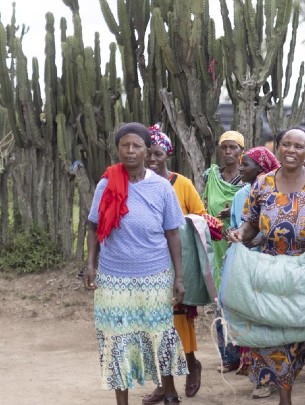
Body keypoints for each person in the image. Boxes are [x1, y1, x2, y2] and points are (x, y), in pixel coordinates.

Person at [228, 128, 305, 405]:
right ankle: (285, 398)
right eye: (286, 145)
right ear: (278, 148)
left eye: (298, 146)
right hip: (273, 273)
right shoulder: (262, 183)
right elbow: (251, 223)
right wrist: (240, 234)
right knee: (278, 334)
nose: (291, 150)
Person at [84, 122, 187, 405]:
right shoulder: (106, 184)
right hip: (113, 279)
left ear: (146, 151)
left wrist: (179, 277)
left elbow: (173, 233)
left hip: (155, 277)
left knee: (160, 335)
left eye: (136, 146)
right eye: (124, 145)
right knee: (117, 341)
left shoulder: (162, 187)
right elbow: (93, 226)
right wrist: (91, 264)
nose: (130, 151)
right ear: (118, 149)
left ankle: (169, 392)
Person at [141, 124, 205, 404]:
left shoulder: (182, 183)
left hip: (179, 263)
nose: (152, 159)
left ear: (168, 154)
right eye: (148, 154)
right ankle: (162, 385)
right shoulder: (137, 184)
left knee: (178, 323)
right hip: (149, 263)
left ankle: (191, 364)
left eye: (158, 154)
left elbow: (201, 217)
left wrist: (177, 226)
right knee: (152, 325)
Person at [229, 146, 281, 399]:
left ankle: (272, 376)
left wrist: (259, 239)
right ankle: (263, 374)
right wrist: (237, 236)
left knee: (270, 321)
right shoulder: (242, 195)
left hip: (273, 265)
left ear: (261, 168)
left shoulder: (277, 192)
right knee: (255, 320)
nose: (240, 168)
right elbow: (240, 226)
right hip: (249, 267)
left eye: (245, 164)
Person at [202, 130, 246, 372]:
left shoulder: (248, 176)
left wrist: (234, 212)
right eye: (224, 147)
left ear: (241, 151)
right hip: (216, 241)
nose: (228, 152)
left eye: (233, 147)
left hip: (243, 241)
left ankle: (246, 354)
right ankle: (228, 357)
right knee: (221, 299)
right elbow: (203, 205)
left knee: (241, 299)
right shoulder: (211, 176)